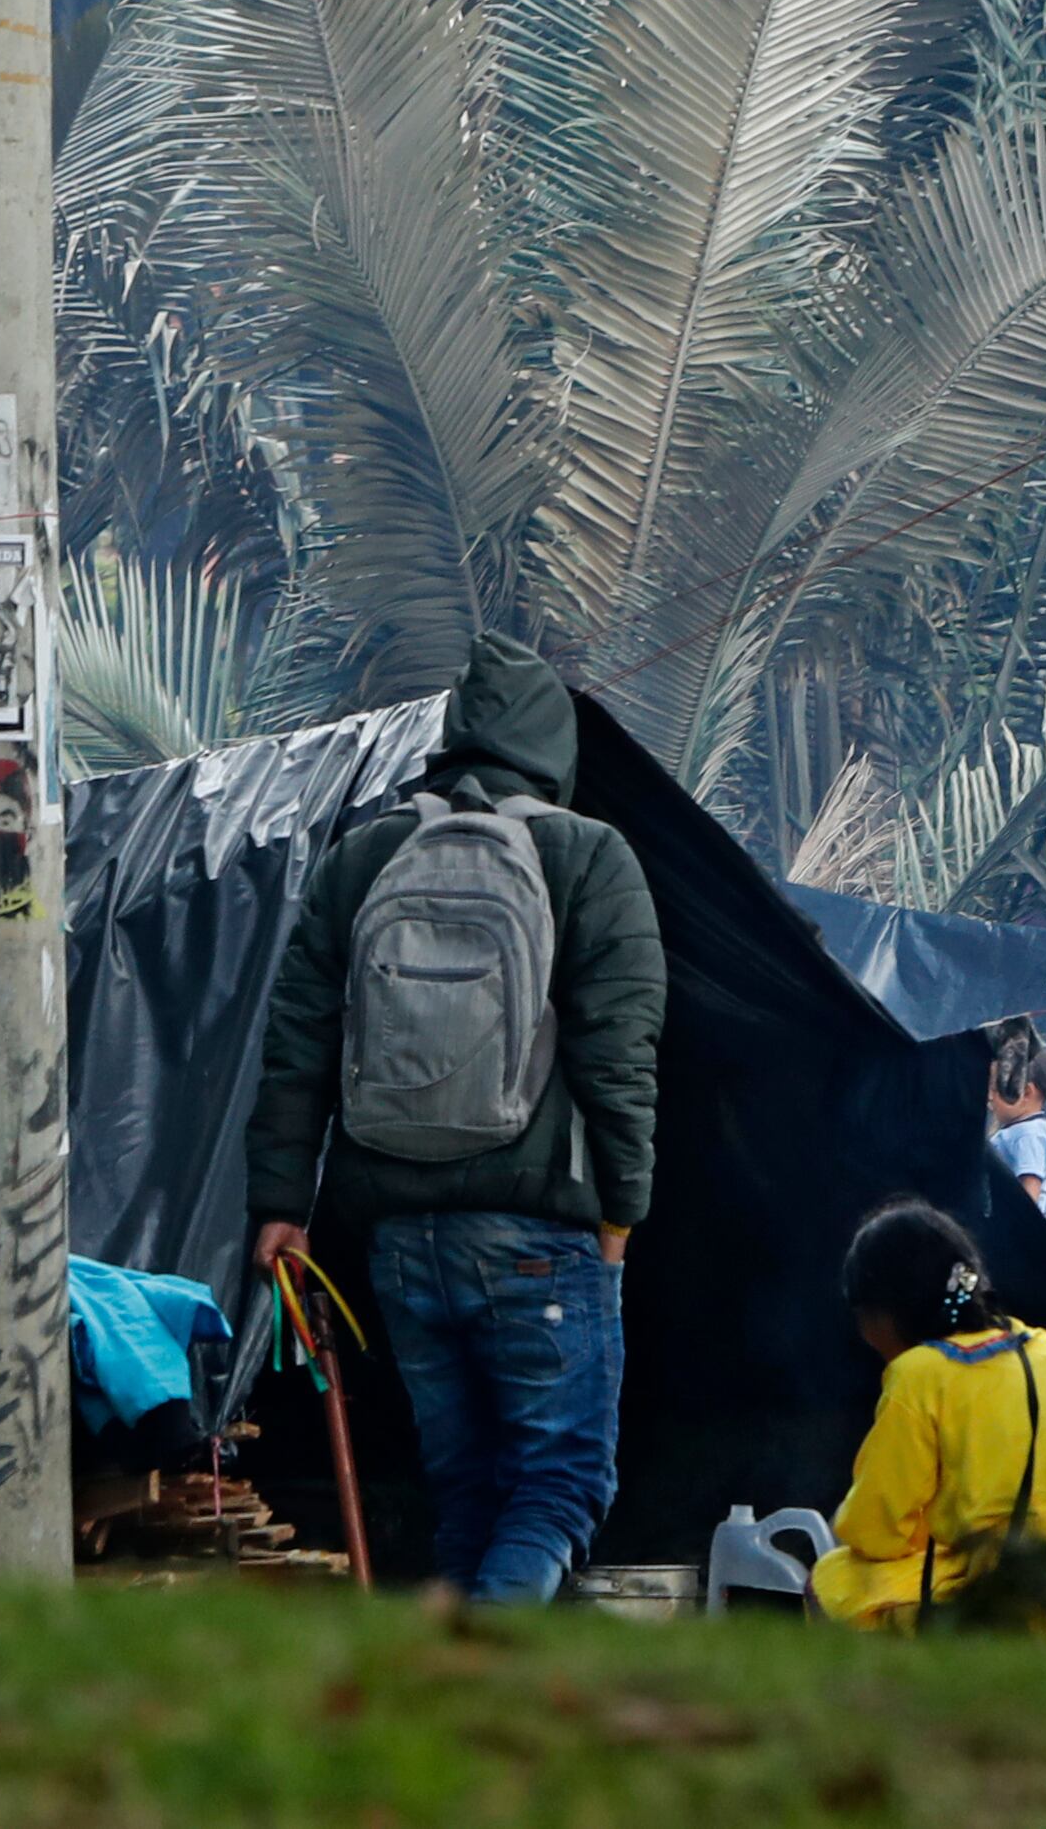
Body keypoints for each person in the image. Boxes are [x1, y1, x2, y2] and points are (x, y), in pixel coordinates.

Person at [244, 635, 666, 1603]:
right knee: (561, 1485)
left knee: (467, 1492)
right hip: (539, 1236)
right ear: (550, 745)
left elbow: (297, 1038)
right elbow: (619, 1051)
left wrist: (279, 1201)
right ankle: (484, 1679)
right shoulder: (587, 856)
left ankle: (452, 1701)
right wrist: (620, 1214)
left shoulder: (364, 856)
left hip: (398, 1238)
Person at [809, 1198, 1046, 1636]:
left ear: (883, 1313)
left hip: (1017, 1580)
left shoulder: (918, 1375)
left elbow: (877, 1529)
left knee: (832, 1581)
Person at [982, 1012, 1046, 1208]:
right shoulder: (1017, 1130)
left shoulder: (1028, 1134)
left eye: (996, 1089)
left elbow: (1030, 1185)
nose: (990, 1097)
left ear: (1026, 1092)